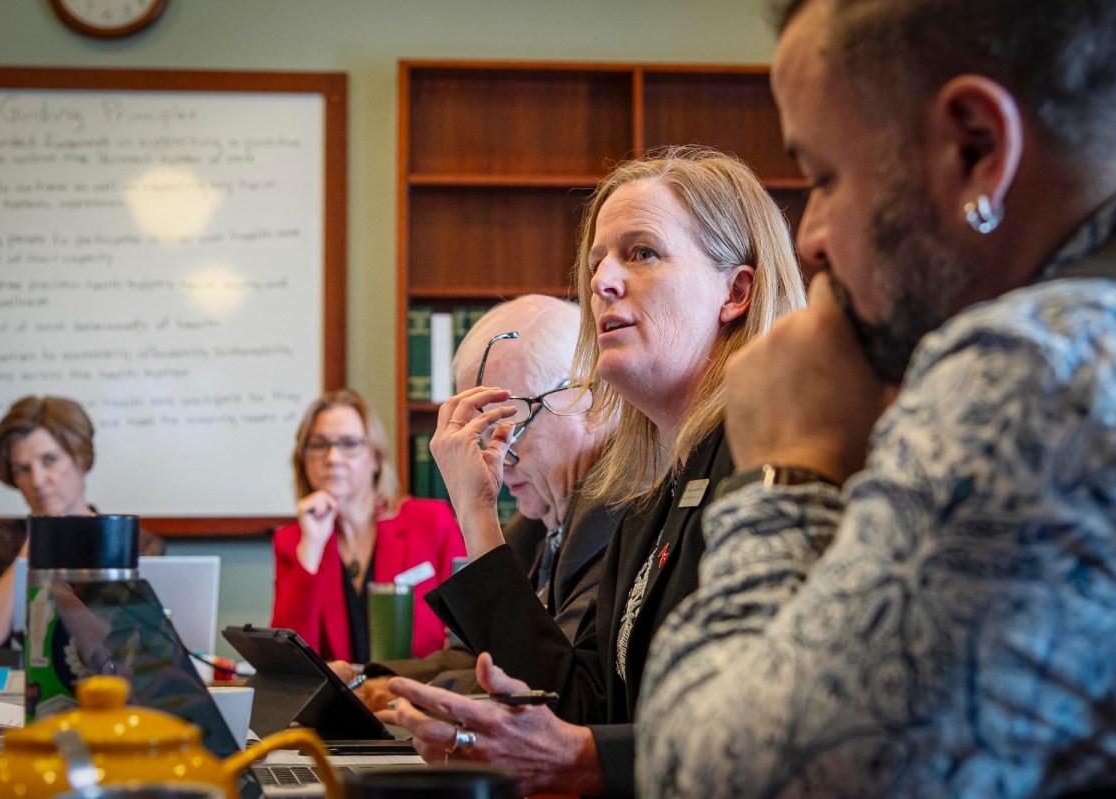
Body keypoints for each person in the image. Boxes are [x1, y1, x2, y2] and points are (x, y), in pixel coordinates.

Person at [637, 1, 1116, 797]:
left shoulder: (1041, 377)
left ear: (977, 148)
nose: (810, 236)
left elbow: (712, 779)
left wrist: (789, 468)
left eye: (823, 177)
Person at [382, 146, 806, 797]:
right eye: (596, 262)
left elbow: (780, 727)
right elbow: (580, 708)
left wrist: (587, 757)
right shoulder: (648, 492)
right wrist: (476, 509)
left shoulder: (773, 461)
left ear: (737, 291)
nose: (602, 280)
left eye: (641, 252)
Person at [334, 295, 624, 709]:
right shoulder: (537, 529)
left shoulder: (625, 519)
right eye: (482, 432)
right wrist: (372, 678)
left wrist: (475, 509)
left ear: (584, 398)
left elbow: (551, 696)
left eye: (510, 422)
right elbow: (478, 655)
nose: (498, 459)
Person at [271, 389, 465, 662]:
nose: (332, 459)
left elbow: (468, 631)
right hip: (337, 702)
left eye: (349, 444)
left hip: (419, 696)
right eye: (318, 444)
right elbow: (287, 661)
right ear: (303, 459)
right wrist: (311, 548)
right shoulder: (293, 541)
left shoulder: (430, 521)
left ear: (375, 458)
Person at [0, 395, 164, 649]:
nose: (37, 481)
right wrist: (34, 546)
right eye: (22, 469)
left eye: (50, 460)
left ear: (80, 458)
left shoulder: (135, 545)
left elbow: (137, 641)